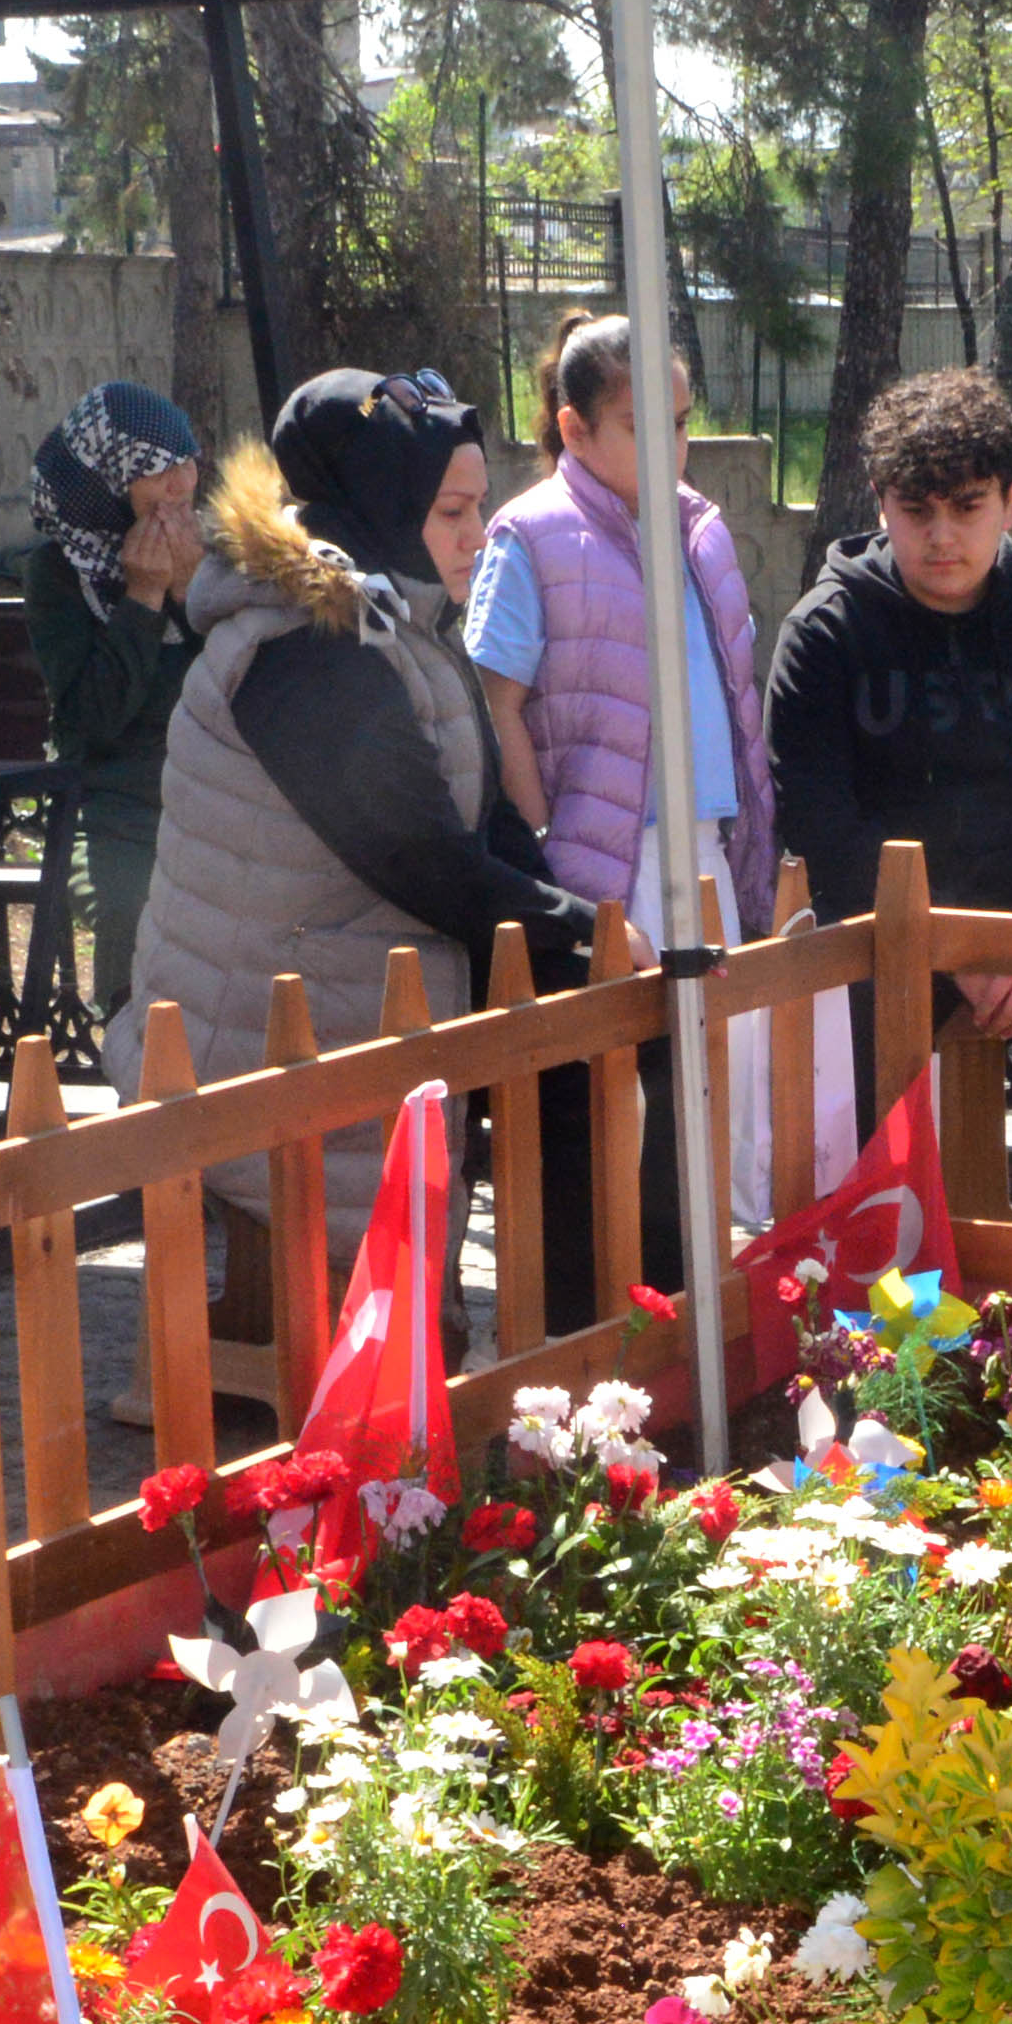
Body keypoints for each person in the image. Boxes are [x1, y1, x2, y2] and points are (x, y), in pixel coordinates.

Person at [121, 366, 592, 1346]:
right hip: (261, 1025)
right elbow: (416, 853)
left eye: (479, 507)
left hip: (349, 983)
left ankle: (591, 1333)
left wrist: (583, 930)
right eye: (452, 511)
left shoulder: (393, 619)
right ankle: (569, 1340)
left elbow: (485, 821)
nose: (477, 535)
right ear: (378, 509)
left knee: (591, 1025)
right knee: (581, 1035)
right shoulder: (308, 649)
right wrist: (582, 933)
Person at [765, 366, 1012, 1193]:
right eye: (917, 510)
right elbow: (820, 824)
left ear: (1011, 500)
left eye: (967, 507)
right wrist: (952, 951)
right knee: (840, 1084)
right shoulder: (825, 634)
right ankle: (870, 1271)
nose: (941, 536)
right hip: (884, 942)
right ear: (881, 501)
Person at [469, 315, 776, 1320]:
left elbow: (734, 699)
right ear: (574, 427)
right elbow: (496, 706)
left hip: (707, 849)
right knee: (626, 1112)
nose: (672, 445)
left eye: (681, 421)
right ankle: (620, 1324)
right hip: (605, 865)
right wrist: (547, 857)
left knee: (716, 1098)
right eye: (644, 424)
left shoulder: (701, 530)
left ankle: (701, 1311)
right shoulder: (529, 533)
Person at [16, 381, 203, 1014]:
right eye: (156, 467)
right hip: (109, 808)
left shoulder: (214, 554)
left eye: (185, 459)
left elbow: (246, 690)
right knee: (133, 903)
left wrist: (194, 595)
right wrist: (143, 599)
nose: (181, 482)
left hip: (209, 795)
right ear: (107, 477)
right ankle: (137, 1056)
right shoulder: (58, 574)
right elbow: (94, 720)